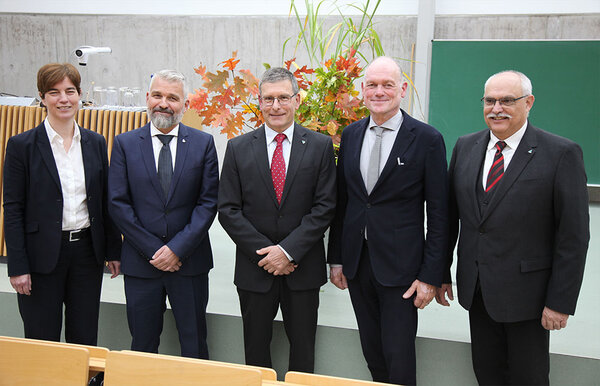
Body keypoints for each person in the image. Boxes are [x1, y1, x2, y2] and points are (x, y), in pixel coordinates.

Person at [436, 70, 589, 385]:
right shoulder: (464, 147)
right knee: (487, 375)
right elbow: (451, 219)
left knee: (528, 378)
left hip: (529, 299)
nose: (496, 109)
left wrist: (560, 302)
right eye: (490, 101)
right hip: (477, 292)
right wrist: (441, 272)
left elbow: (573, 237)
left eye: (507, 100)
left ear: (529, 102)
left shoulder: (561, 153)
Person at [327, 56, 449, 385]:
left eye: (387, 85)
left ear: (403, 90)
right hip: (357, 263)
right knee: (372, 351)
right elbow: (345, 202)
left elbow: (440, 214)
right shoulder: (350, 135)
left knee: (399, 356)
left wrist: (430, 275)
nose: (379, 91)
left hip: (403, 270)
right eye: (372, 85)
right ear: (363, 90)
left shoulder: (426, 139)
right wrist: (336, 257)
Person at [218, 67, 336, 372]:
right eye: (268, 99)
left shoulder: (321, 146)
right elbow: (228, 210)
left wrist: (287, 251)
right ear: (259, 102)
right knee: (255, 354)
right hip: (255, 270)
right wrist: (268, 254)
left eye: (283, 97)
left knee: (303, 352)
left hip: (302, 269)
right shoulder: (238, 148)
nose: (276, 106)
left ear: (297, 100)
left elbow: (324, 207)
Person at [4, 62, 122, 345]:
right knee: (41, 339)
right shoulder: (22, 146)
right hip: (40, 257)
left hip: (85, 255)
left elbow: (103, 202)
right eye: (54, 92)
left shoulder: (94, 142)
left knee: (84, 338)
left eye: (70, 91)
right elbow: (13, 208)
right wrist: (17, 266)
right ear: (42, 98)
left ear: (80, 95)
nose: (63, 99)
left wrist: (113, 250)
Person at [108, 69, 218, 359]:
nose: (163, 103)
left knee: (194, 345)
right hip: (142, 265)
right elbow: (118, 204)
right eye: (157, 95)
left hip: (189, 264)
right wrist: (156, 250)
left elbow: (208, 204)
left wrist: (177, 250)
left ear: (186, 104)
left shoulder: (203, 144)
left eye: (172, 97)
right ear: (147, 98)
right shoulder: (125, 144)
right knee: (142, 347)